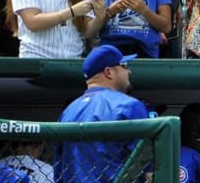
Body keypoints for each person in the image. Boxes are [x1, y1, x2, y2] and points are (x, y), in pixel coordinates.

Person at [54, 44, 148, 182]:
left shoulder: (68, 112)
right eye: (124, 65)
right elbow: (148, 166)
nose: (129, 71)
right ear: (109, 72)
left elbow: (59, 173)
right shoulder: (129, 105)